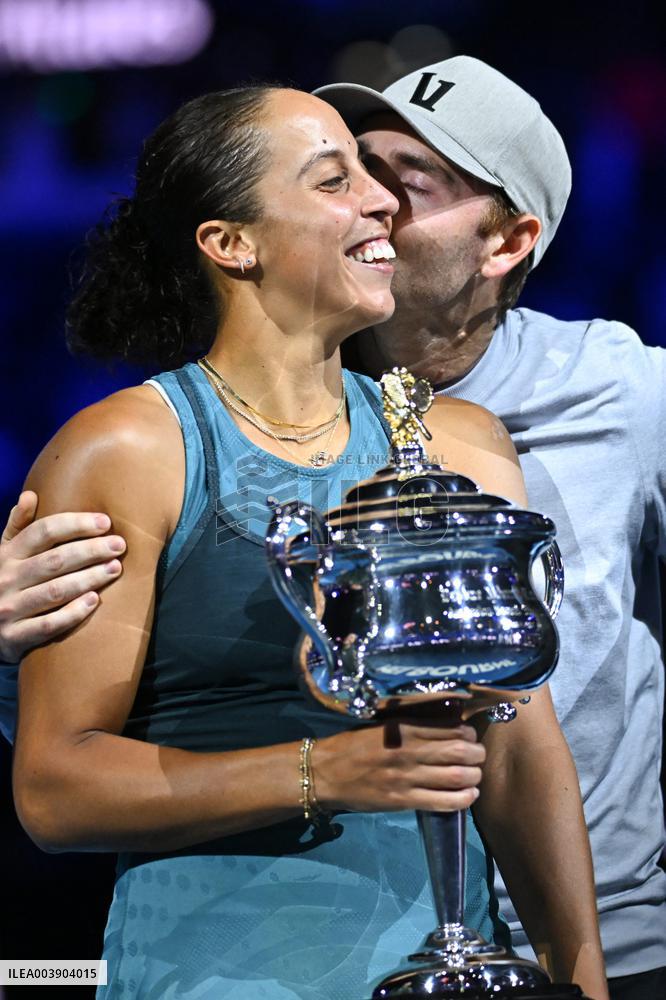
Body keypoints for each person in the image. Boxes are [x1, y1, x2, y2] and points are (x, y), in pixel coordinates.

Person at [4, 84, 609, 999]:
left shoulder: (462, 442)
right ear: (231, 244)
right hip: (210, 972)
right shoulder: (126, 449)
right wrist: (323, 771)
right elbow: (54, 788)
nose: (380, 200)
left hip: (442, 970)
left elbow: (522, 754)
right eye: (336, 180)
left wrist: (582, 978)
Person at [312, 56, 666, 1000]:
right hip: (353, 950)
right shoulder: (265, 406)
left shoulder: (624, 392)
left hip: (609, 947)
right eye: (350, 171)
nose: (367, 204)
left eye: (405, 181)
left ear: (508, 241)